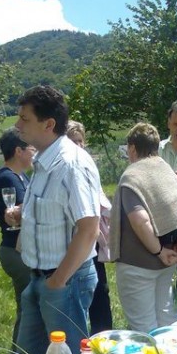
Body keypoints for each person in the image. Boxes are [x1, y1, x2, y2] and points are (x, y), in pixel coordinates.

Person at [5, 85, 101, 354]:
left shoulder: (71, 165)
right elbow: (57, 209)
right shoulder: (43, 161)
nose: (17, 125)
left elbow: (89, 229)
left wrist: (57, 282)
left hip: (65, 281)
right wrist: (25, 215)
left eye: (25, 118)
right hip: (40, 278)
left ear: (48, 124)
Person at [110, 123, 177, 333]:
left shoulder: (132, 176)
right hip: (169, 261)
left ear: (132, 148)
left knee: (143, 328)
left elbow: (140, 221)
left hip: (138, 266)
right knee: (166, 319)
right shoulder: (166, 170)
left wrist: (158, 251)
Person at [66, 120, 113, 335]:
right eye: (73, 142)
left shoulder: (88, 166)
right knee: (77, 293)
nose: (78, 146)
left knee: (100, 290)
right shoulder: (65, 169)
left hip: (94, 237)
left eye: (80, 141)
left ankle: (103, 337)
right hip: (73, 240)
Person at [0, 127, 34, 350]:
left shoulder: (20, 176)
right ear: (19, 151)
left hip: (20, 248)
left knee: (28, 306)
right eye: (31, 148)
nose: (34, 153)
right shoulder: (7, 178)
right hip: (14, 250)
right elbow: (23, 212)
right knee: (28, 308)